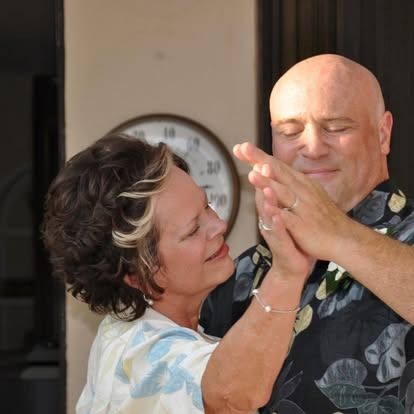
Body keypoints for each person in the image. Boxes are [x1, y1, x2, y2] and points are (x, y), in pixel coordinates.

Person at [201, 54, 414, 413]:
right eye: (290, 131)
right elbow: (218, 401)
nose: (312, 148)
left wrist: (335, 234)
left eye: (337, 127)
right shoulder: (246, 271)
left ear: (383, 133)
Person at [42, 133, 312, 414]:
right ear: (138, 274)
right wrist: (288, 271)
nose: (218, 225)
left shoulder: (159, 328)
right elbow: (231, 395)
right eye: (193, 229)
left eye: (206, 206)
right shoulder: (137, 353)